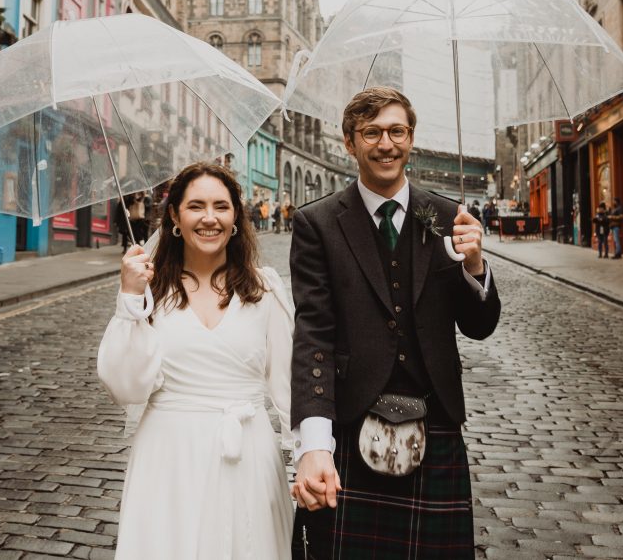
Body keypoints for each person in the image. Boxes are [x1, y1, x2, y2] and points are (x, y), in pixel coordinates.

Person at [289, 87, 501, 559]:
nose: (386, 144)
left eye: (396, 131)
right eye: (372, 133)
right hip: (351, 421)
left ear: (411, 139)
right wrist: (314, 445)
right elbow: (313, 337)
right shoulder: (317, 223)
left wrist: (474, 266)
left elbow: (480, 326)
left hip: (436, 421)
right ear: (350, 142)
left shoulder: (448, 217)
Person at [97, 162, 294, 559]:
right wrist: (130, 300)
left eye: (221, 206)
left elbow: (290, 387)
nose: (209, 218)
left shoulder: (265, 288)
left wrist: (305, 457)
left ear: (236, 215)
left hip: (248, 457)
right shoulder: (151, 291)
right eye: (196, 206)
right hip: (169, 459)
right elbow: (125, 386)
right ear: (174, 215)